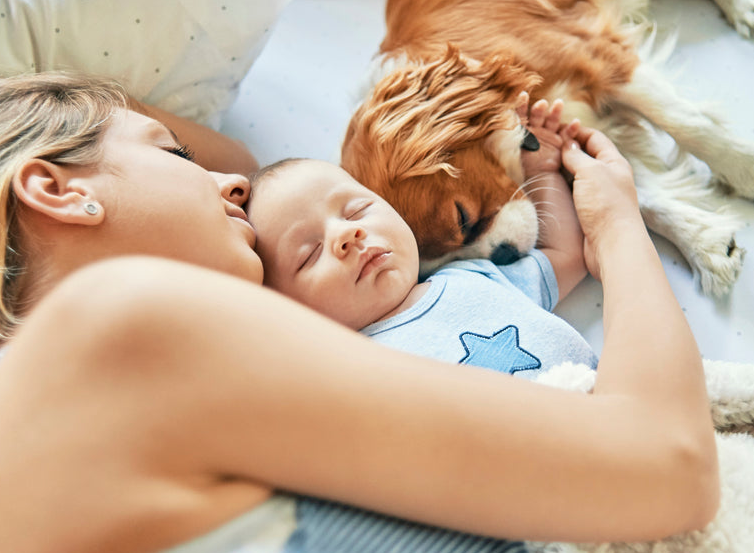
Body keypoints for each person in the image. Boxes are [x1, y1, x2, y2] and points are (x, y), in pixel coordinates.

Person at [0, 53, 719, 553]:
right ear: (56, 191)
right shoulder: (118, 331)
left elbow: (251, 167)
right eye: (171, 152)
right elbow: (670, 464)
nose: (230, 179)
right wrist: (613, 225)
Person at [246, 98, 599, 376]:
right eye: (310, 254)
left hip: (598, 411)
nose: (348, 234)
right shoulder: (342, 367)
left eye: (357, 210)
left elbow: (565, 254)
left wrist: (543, 169)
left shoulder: (474, 277)